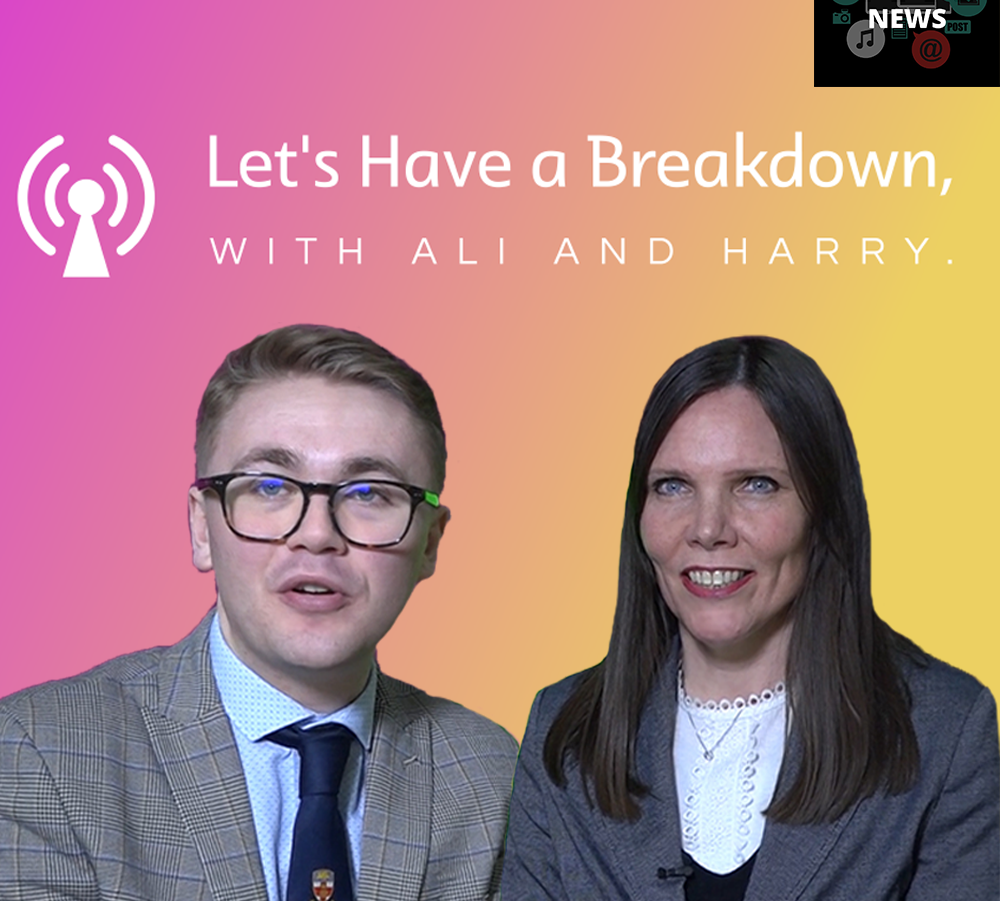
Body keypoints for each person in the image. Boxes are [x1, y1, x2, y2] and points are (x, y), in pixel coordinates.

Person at [0, 324, 517, 901]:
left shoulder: (489, 772)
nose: (317, 535)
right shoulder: (41, 751)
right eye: (270, 486)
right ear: (202, 526)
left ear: (429, 544)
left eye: (370, 493)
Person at [502, 336, 1000, 901]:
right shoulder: (563, 728)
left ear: (825, 511)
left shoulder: (944, 730)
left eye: (756, 485)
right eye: (673, 486)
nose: (708, 528)